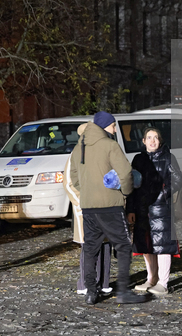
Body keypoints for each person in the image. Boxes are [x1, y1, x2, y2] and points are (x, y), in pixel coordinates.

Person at [68, 111, 146, 305]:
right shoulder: (110, 145)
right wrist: (126, 193)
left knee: (90, 249)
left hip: (88, 207)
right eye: (113, 125)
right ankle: (122, 291)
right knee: (123, 246)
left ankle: (91, 292)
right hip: (110, 205)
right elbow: (126, 173)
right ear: (105, 126)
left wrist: (87, 192)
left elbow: (74, 177)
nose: (114, 129)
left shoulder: (80, 148)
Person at [126, 128, 182, 296]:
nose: (153, 141)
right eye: (149, 138)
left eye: (156, 138)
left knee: (163, 245)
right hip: (142, 209)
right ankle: (151, 278)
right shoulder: (138, 159)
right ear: (143, 141)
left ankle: (163, 283)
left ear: (160, 141)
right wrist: (130, 209)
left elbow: (178, 180)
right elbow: (132, 185)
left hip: (161, 209)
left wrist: (163, 194)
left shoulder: (168, 158)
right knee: (146, 245)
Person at [63, 122, 112, 297]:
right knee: (90, 246)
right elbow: (68, 183)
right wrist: (81, 203)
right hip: (86, 209)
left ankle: (104, 282)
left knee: (106, 244)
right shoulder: (76, 154)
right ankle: (85, 283)